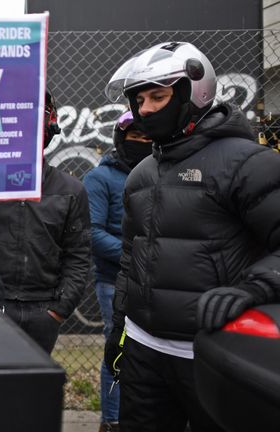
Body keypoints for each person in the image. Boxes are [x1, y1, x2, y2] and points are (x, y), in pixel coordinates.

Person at [104, 41, 280, 431]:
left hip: (212, 353)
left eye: (157, 96)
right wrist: (120, 329)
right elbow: (131, 259)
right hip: (143, 352)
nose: (145, 109)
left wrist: (252, 289)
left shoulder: (248, 164)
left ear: (193, 94)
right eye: (138, 99)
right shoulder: (141, 174)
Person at [0, 90, 92, 354]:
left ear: (50, 122)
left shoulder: (71, 190)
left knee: (31, 393)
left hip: (42, 311)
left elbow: (78, 256)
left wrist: (57, 311)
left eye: (35, 115)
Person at [82, 111, 152, 432]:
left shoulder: (159, 173)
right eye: (135, 137)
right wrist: (136, 254)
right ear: (121, 139)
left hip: (157, 280)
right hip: (115, 281)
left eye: (148, 137)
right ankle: (111, 421)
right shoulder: (100, 179)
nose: (143, 143)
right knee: (119, 349)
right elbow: (92, 233)